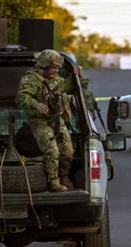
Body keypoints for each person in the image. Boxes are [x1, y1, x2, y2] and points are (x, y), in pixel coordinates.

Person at [16, 49, 75, 192]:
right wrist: (35, 104)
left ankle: (64, 176)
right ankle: (53, 182)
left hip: (56, 120)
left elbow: (66, 86)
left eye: (57, 68)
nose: (56, 71)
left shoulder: (55, 79)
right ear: (43, 66)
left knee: (68, 151)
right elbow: (21, 97)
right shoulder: (31, 79)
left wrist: (75, 77)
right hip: (39, 121)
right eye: (53, 68)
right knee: (52, 150)